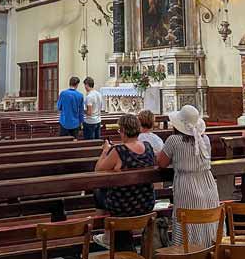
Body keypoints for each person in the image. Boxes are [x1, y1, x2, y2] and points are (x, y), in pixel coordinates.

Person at [157, 105, 220, 247]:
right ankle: (207, 251)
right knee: (207, 221)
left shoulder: (174, 140)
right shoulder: (205, 139)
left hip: (187, 187)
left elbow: (162, 163)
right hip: (208, 185)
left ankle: (188, 251)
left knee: (188, 222)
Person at [94, 113, 156, 251]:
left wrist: (105, 151)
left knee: (98, 192)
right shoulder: (148, 147)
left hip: (123, 206)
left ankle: (106, 234)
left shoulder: (119, 150)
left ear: (123, 131)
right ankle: (111, 237)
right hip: (146, 202)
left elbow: (98, 171)